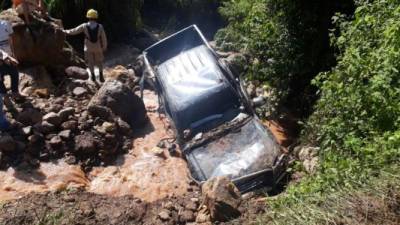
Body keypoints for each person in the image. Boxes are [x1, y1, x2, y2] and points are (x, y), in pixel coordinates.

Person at [64, 9, 107, 83]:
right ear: (96, 17)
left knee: (90, 62)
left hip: (88, 47)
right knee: (99, 61)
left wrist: (65, 31)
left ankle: (93, 76)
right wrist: (104, 47)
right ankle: (101, 76)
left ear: (88, 17)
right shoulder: (100, 27)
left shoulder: (84, 26)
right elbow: (104, 38)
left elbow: (74, 31)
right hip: (97, 47)